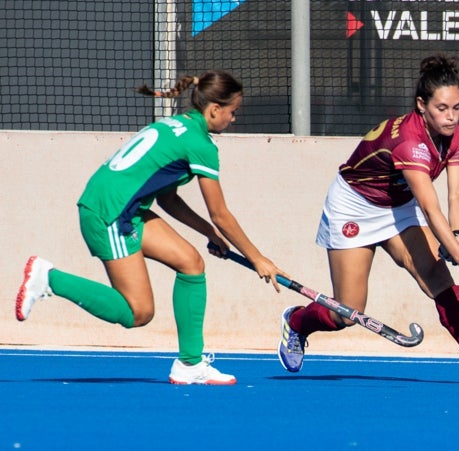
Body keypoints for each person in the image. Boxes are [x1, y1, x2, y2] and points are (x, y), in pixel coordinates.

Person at [15, 70, 287, 385]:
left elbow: (168, 200)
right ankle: (49, 278)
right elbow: (221, 214)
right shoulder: (201, 144)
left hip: (120, 207)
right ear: (214, 110)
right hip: (111, 215)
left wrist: (208, 235)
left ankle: (190, 364)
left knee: (191, 262)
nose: (234, 119)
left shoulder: (177, 125)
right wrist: (257, 258)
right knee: (137, 313)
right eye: (232, 111)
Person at [277, 53, 459, 385]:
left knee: (438, 278)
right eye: (441, 109)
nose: (450, 117)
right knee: (346, 311)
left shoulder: (456, 137)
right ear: (421, 105)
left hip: (400, 205)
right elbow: (431, 209)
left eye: (457, 108)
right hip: (355, 206)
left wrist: (458, 238)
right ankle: (298, 322)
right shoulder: (409, 142)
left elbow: (457, 194)